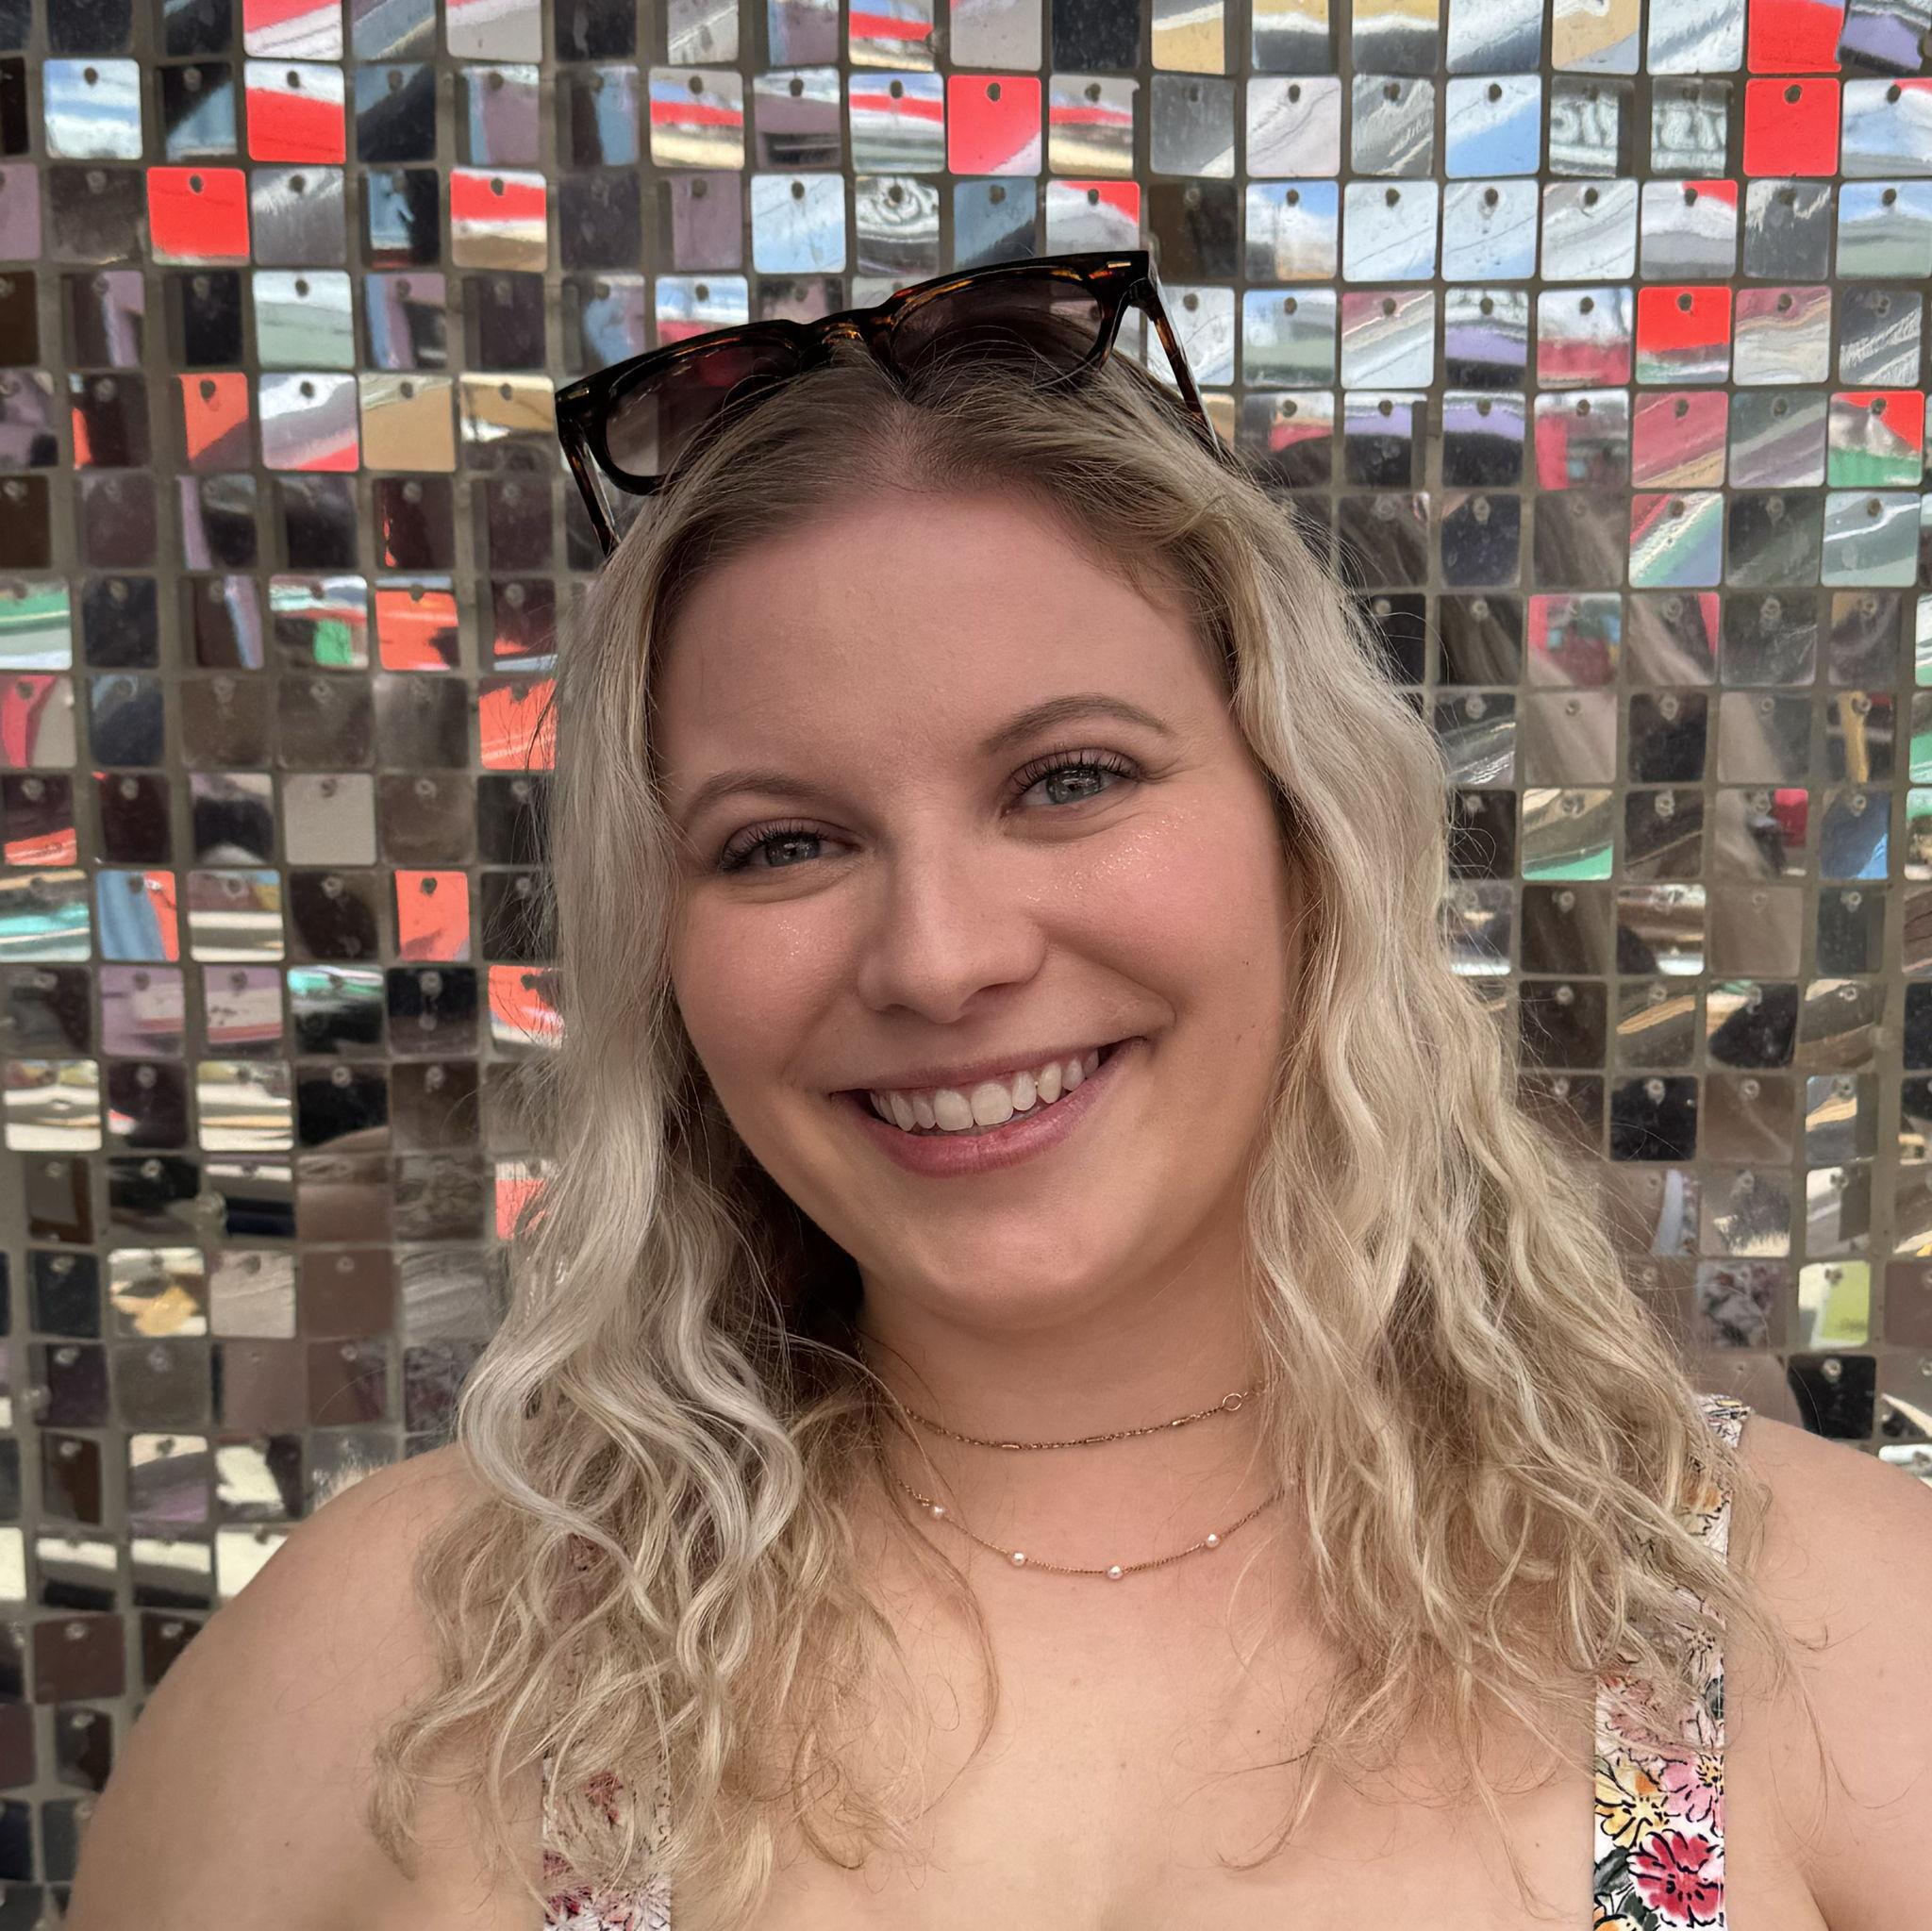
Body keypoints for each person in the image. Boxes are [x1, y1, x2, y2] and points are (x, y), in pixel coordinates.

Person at [68, 253, 1931, 1931]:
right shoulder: (393, 1667)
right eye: (784, 840)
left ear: (1309, 836)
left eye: (1068, 780)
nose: (938, 957)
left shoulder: (1827, 1635)